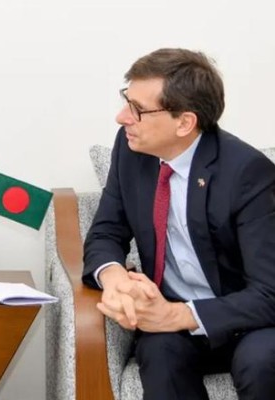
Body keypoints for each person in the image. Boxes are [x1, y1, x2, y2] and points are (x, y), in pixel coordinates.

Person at [83, 48, 275, 400]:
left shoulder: (248, 173)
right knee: (159, 354)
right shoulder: (131, 150)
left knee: (261, 361)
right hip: (172, 317)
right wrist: (114, 278)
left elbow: (269, 293)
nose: (121, 117)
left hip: (248, 322)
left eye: (137, 109)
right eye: (126, 101)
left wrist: (178, 315)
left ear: (184, 123)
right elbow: (106, 231)